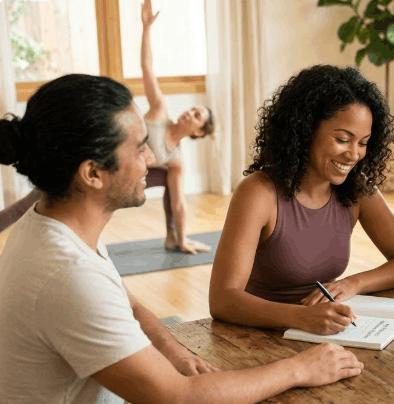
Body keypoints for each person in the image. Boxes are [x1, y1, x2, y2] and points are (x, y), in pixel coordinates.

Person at [0, 74, 363, 403]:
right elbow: (179, 398)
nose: (152, 157)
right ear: (92, 173)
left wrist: (173, 353)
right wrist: (300, 369)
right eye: (140, 147)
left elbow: (132, 308)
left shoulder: (55, 227)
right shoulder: (67, 273)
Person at [208, 64, 394, 335]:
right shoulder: (258, 193)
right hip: (256, 334)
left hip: (321, 331)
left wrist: (353, 284)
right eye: (343, 139)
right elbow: (222, 300)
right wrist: (302, 317)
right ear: (305, 129)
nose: (354, 154)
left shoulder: (355, 189)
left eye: (363, 142)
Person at [0, 0, 214, 255]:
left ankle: (173, 238)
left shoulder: (175, 159)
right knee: (26, 204)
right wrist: (146, 29)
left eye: (198, 115)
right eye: (193, 109)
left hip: (120, 171)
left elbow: (179, 203)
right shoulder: (160, 110)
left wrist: (184, 237)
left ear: (199, 132)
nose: (190, 112)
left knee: (171, 180)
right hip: (91, 161)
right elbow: (148, 67)